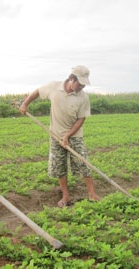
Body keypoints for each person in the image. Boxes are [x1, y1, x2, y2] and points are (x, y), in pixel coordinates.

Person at [19, 65, 101, 207]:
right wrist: (25, 104)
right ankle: (65, 196)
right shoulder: (53, 87)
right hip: (55, 135)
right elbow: (37, 92)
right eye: (80, 83)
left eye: (84, 84)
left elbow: (81, 119)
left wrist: (68, 136)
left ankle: (92, 194)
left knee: (83, 163)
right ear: (71, 78)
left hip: (75, 136)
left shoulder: (83, 97)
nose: (82, 87)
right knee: (59, 166)